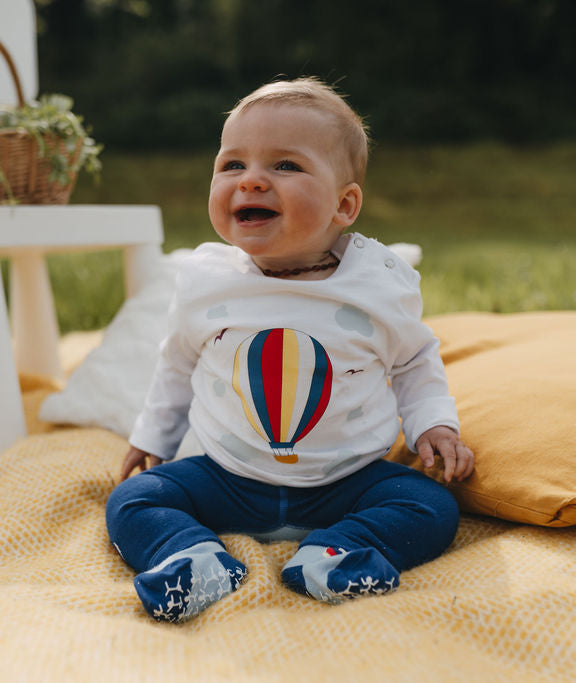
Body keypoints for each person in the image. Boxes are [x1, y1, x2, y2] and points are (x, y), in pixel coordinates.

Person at [105, 77, 474, 623]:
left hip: (346, 481)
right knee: (133, 501)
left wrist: (433, 426)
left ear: (344, 204)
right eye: (232, 165)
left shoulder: (377, 283)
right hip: (227, 477)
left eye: (285, 166)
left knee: (432, 507)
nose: (251, 180)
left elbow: (415, 360)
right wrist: (151, 437)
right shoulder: (207, 281)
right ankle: (191, 558)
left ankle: (335, 553)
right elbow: (177, 361)